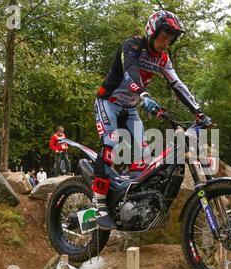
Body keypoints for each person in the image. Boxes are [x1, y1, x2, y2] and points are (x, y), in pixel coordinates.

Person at [90, 11, 212, 230]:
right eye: (164, 36)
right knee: (110, 143)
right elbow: (130, 71)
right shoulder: (132, 46)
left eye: (171, 39)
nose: (166, 42)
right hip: (108, 101)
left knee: (143, 157)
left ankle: (131, 202)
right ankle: (97, 203)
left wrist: (198, 111)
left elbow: (177, 84)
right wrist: (145, 95)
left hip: (129, 108)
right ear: (152, 31)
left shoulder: (163, 59)